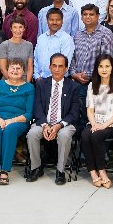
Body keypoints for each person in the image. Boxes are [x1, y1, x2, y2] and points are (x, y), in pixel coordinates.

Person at [26, 53, 85, 185]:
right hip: (44, 122)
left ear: (66, 69)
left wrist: (58, 125)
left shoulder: (73, 86)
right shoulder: (41, 84)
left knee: (64, 135)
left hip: (65, 123)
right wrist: (45, 125)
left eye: (60, 66)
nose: (57, 69)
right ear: (50, 67)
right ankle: (36, 167)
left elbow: (75, 113)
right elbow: (37, 108)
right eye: (54, 66)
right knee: (32, 134)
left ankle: (60, 171)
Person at [0, 59, 35, 185]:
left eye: (19, 68)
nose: (15, 70)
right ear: (7, 70)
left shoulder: (29, 88)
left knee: (10, 130)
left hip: (18, 121)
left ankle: (4, 171)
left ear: (23, 71)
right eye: (12, 67)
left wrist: (10, 121)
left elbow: (29, 114)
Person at [79, 55, 113, 189]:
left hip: (111, 124)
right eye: (100, 66)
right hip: (95, 123)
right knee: (85, 135)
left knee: (95, 135)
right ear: (96, 69)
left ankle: (102, 171)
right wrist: (94, 124)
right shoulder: (92, 86)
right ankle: (93, 173)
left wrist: (104, 125)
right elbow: (90, 110)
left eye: (107, 66)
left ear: (112, 68)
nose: (104, 69)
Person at [70, 4, 113, 84]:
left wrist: (87, 75)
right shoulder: (78, 35)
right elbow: (73, 57)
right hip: (76, 81)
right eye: (85, 14)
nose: (88, 17)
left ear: (98, 16)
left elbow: (106, 60)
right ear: (81, 17)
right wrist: (74, 74)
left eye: (91, 14)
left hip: (96, 82)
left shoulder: (106, 34)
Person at [34, 8, 75, 82]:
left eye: (58, 20)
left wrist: (50, 80)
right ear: (47, 21)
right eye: (51, 20)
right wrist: (37, 76)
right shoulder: (41, 38)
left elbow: (65, 64)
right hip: (39, 80)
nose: (54, 22)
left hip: (57, 81)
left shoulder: (67, 39)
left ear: (62, 21)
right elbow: (35, 59)